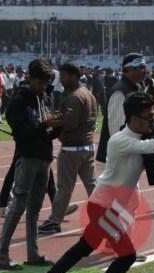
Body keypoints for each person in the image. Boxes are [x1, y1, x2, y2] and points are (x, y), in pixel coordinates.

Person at [30, 91, 154, 273]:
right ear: (133, 119)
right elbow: (151, 146)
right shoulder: (120, 140)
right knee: (127, 256)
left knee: (85, 245)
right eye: (149, 118)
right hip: (103, 206)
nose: (152, 121)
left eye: (153, 117)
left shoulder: (143, 133)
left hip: (106, 206)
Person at [0, 58, 64, 270]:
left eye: (45, 83)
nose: (42, 87)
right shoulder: (19, 102)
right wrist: (44, 126)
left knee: (35, 209)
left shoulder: (46, 98)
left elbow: (49, 135)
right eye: (39, 82)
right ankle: (2, 254)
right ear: (30, 78)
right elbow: (21, 134)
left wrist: (58, 126)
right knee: (19, 207)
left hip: (44, 158)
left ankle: (33, 254)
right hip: (27, 158)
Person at [38, 63, 97, 234]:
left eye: (63, 76)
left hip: (72, 149)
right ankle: (103, 216)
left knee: (64, 188)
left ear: (73, 76)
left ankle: (54, 221)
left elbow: (69, 124)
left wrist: (49, 121)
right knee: (92, 186)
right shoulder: (88, 93)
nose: (61, 80)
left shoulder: (74, 97)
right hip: (87, 145)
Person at [96, 53, 147, 164]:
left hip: (131, 150)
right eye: (141, 67)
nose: (145, 70)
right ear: (129, 69)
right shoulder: (120, 91)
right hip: (121, 156)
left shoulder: (136, 88)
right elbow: (116, 129)